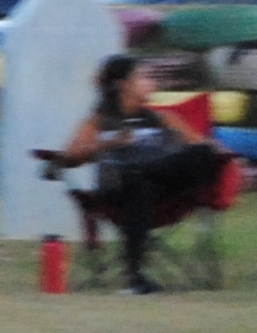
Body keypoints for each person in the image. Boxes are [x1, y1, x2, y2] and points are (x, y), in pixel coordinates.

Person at [38, 53, 229, 295]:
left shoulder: (162, 119)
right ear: (122, 85)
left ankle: (141, 174)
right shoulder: (99, 122)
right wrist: (109, 144)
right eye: (143, 76)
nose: (151, 82)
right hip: (118, 190)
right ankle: (135, 278)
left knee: (202, 153)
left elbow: (204, 148)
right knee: (137, 183)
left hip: (165, 192)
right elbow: (70, 157)